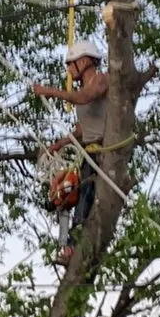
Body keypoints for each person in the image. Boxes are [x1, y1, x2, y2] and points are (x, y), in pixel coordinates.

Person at [32, 40, 109, 267]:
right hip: (89, 152)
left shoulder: (102, 81)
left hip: (105, 153)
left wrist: (50, 91)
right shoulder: (82, 91)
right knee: (71, 193)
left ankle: (77, 249)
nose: (69, 70)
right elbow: (82, 129)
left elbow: (84, 98)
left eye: (71, 64)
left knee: (86, 198)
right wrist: (60, 144)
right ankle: (71, 246)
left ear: (85, 61)